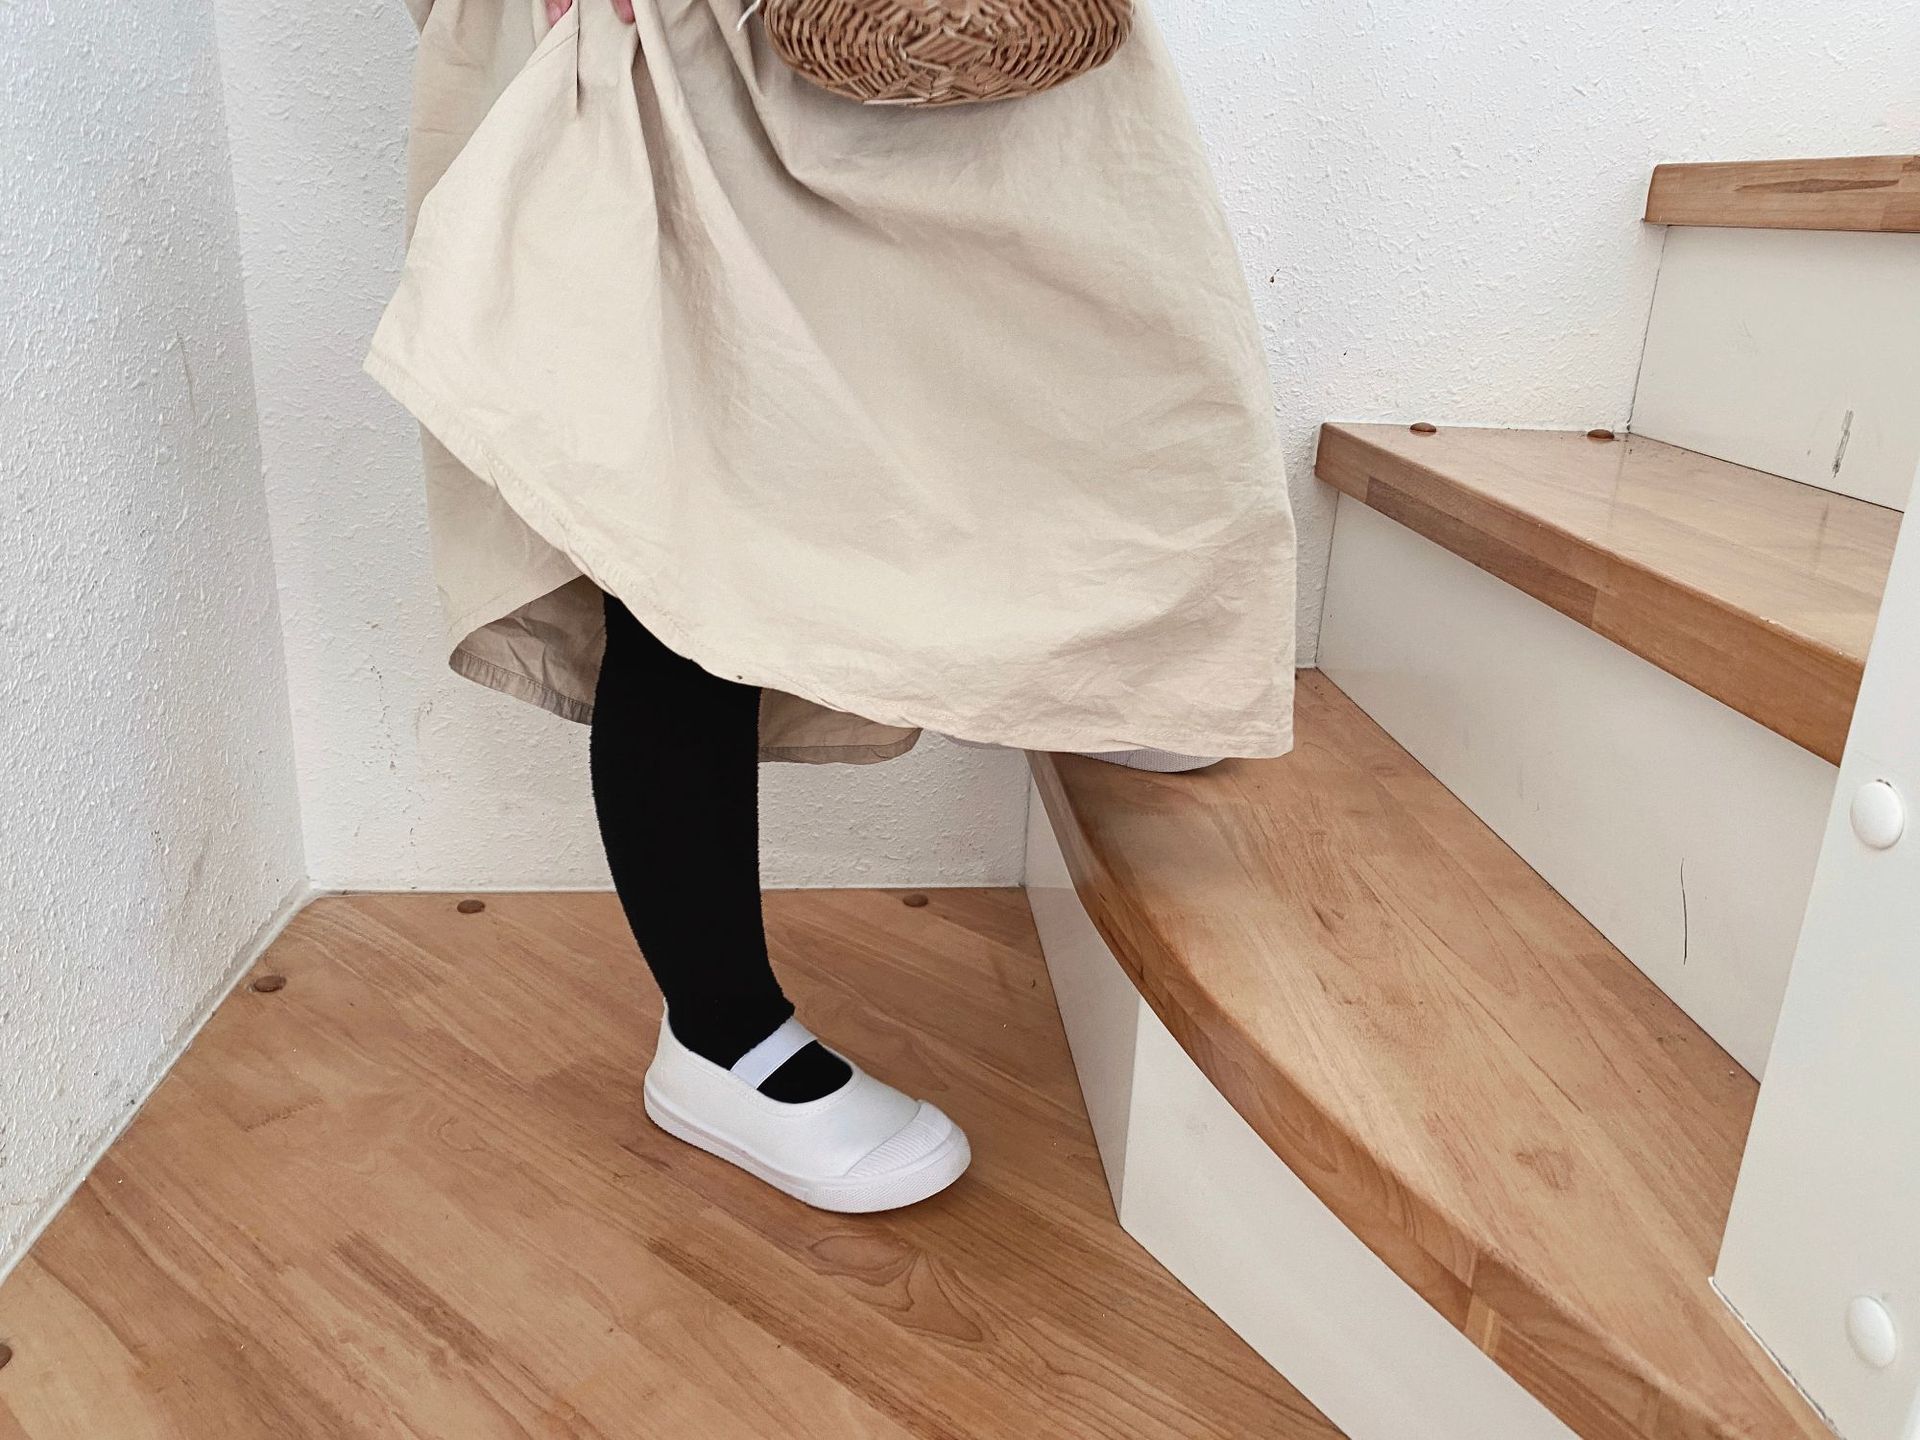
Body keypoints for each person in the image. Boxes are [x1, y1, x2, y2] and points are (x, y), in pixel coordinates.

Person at [369, 0, 1298, 1213]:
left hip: (937, 30)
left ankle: (1108, 663)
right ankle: (719, 1036)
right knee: (696, 501)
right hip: (657, 45)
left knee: (1071, 324)